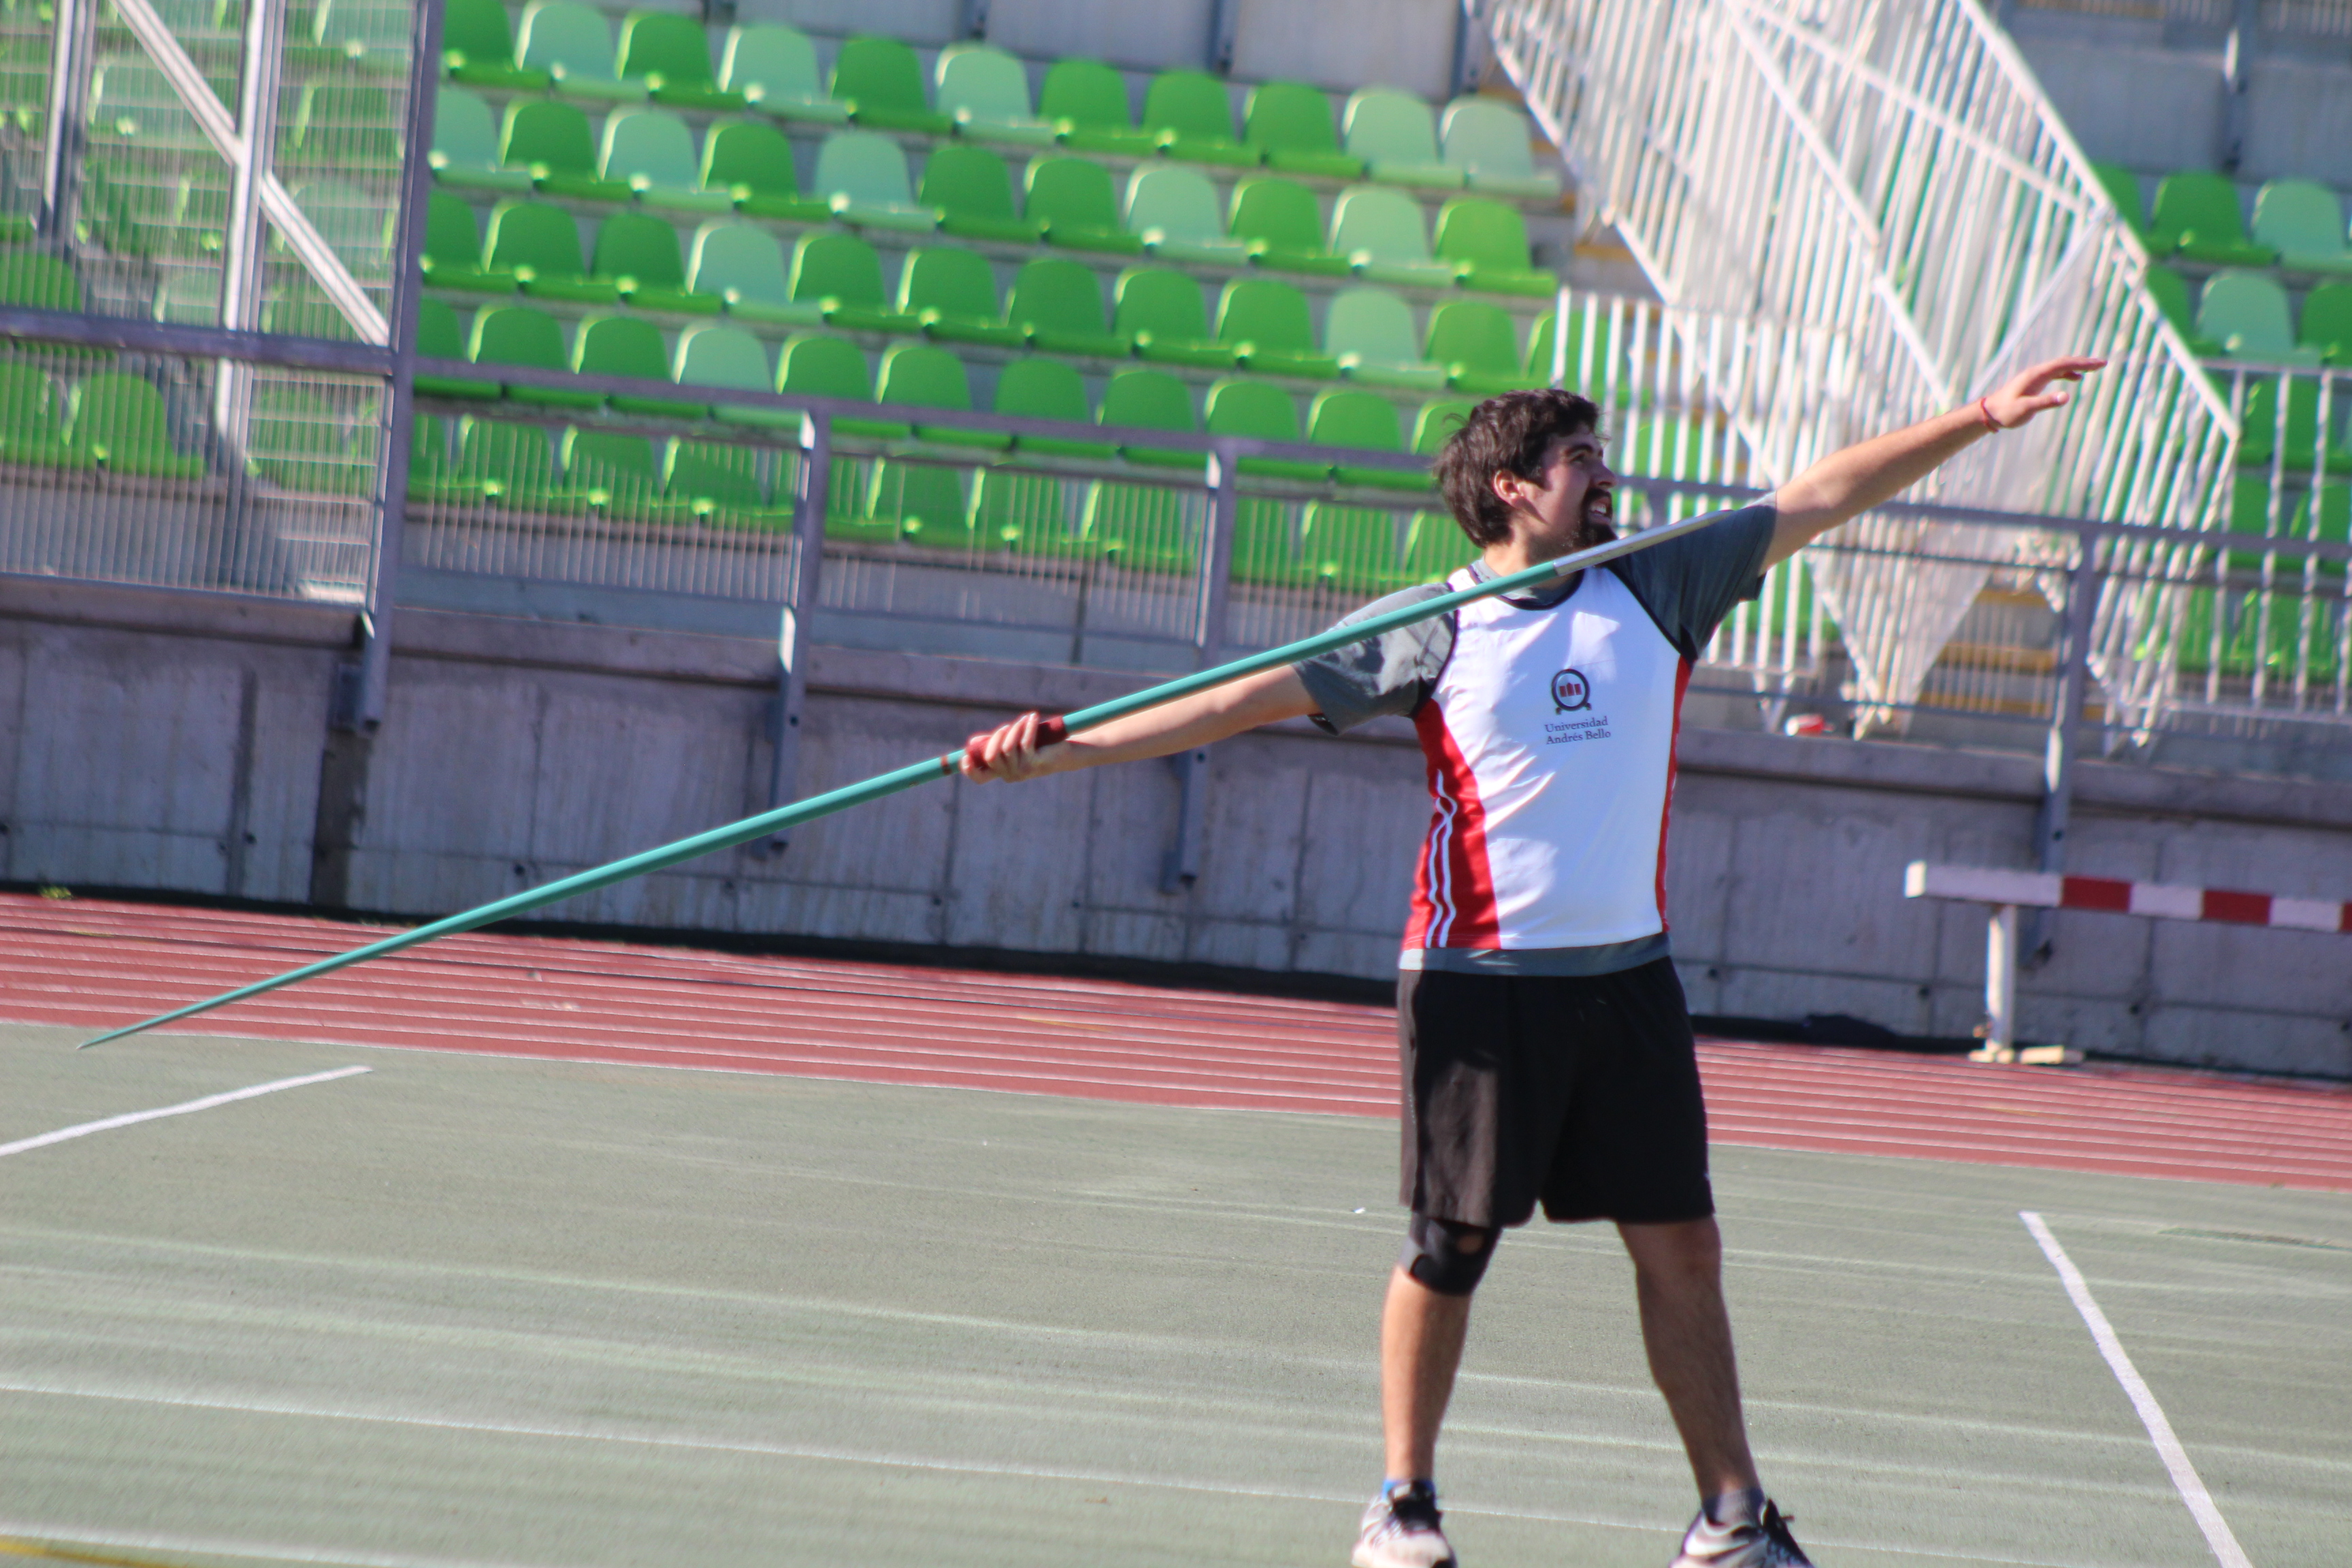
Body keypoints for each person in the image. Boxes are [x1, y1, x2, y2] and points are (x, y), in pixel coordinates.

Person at [960, 357, 2104, 1568]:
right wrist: (1063, 750)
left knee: (1684, 1246)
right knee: (1451, 1244)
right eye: (1579, 461)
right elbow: (1233, 701)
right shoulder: (1428, 625)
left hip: (1629, 983)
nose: (1605, 478)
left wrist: (1980, 419)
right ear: (1511, 488)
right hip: (1478, 983)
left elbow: (1822, 494)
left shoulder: (1660, 582)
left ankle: (1731, 1521)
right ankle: (1403, 1506)